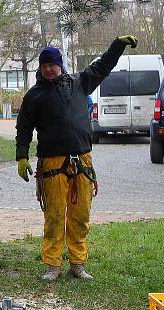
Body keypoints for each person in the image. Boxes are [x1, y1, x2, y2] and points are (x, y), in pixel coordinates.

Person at [15, 36, 138, 282]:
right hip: (51, 163)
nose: (49, 69)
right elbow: (24, 128)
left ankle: (77, 263)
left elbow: (103, 66)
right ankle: (52, 264)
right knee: (54, 215)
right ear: (40, 68)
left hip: (81, 160)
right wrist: (21, 156)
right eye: (45, 65)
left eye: (53, 64)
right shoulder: (34, 96)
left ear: (60, 65)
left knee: (80, 215)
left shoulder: (80, 82)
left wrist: (117, 45)